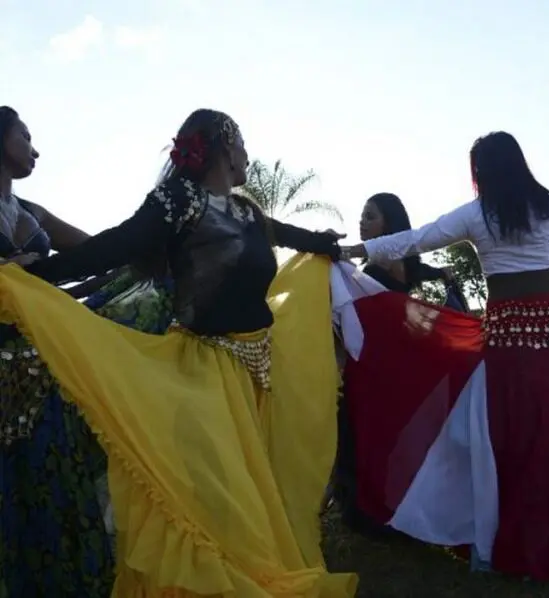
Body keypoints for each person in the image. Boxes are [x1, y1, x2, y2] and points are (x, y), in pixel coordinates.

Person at [0, 109, 357, 596]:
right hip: (203, 373)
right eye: (244, 143)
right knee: (215, 499)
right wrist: (32, 278)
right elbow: (116, 246)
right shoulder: (181, 199)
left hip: (253, 371)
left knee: (248, 494)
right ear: (225, 144)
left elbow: (284, 234)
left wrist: (323, 244)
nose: (249, 155)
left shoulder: (244, 210)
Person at [334, 131, 549, 581]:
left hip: (509, 345)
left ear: (482, 172)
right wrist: (359, 250)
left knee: (507, 442)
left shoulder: (480, 214)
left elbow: (416, 239)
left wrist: (355, 251)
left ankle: (509, 538)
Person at [0, 105, 117, 597]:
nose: (35, 148)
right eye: (25, 136)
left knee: (56, 471)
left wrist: (147, 250)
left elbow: (95, 249)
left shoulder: (33, 212)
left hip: (44, 355)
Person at [331, 192, 468, 533]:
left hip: (378, 359)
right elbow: (419, 278)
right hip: (396, 357)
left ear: (389, 223)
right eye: (363, 214)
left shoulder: (376, 266)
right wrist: (443, 274)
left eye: (371, 215)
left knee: (360, 427)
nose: (362, 220)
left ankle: (365, 509)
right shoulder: (408, 263)